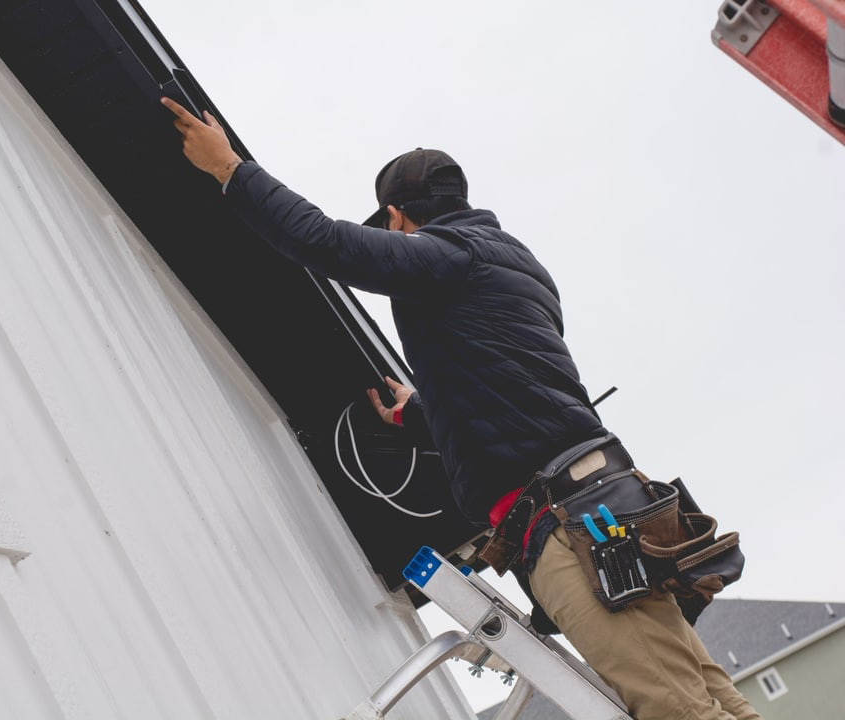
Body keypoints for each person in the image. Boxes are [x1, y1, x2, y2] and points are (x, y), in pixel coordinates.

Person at [161, 96, 761, 720]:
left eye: (388, 231)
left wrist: (232, 170)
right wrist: (422, 409)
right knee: (719, 707)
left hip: (574, 526)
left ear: (398, 219)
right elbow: (509, 384)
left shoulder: (449, 255)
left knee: (680, 713)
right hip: (608, 508)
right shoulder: (515, 264)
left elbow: (327, 243)